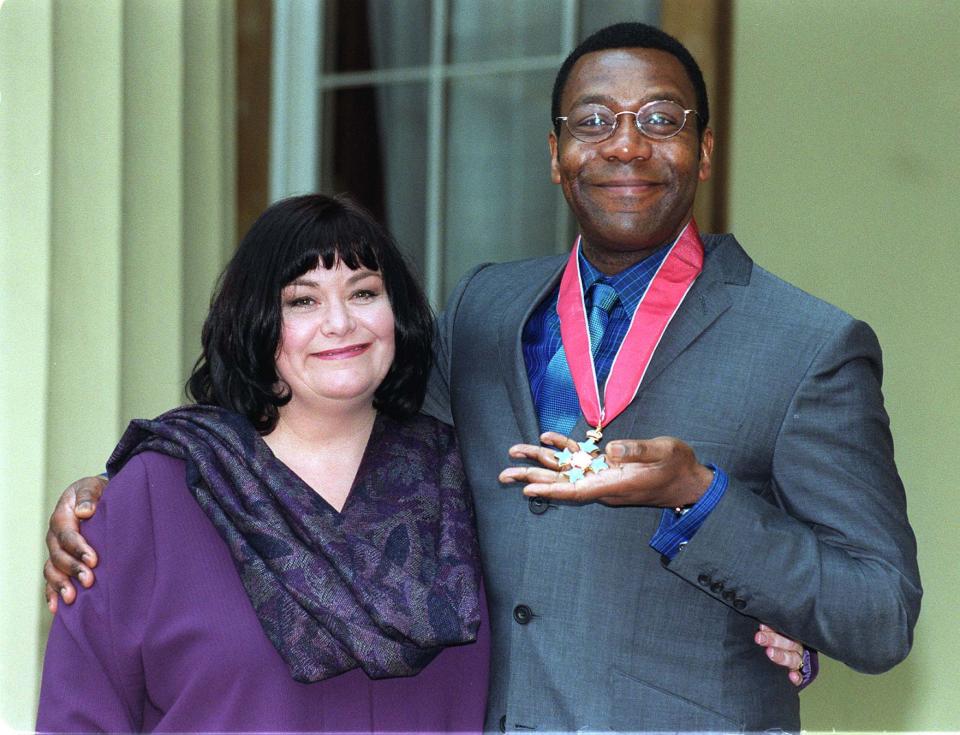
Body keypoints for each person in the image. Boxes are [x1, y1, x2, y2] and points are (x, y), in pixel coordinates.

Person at [41, 21, 909, 733]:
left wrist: (705, 500)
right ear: (556, 151)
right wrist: (137, 483)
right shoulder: (488, 311)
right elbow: (332, 426)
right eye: (594, 121)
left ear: (705, 149)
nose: (627, 146)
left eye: (661, 118)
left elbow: (877, 611)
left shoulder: (809, 346)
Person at [36, 194, 489, 732]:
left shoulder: (466, 480)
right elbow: (80, 717)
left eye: (364, 291)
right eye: (302, 301)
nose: (340, 322)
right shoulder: (155, 495)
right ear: (255, 319)